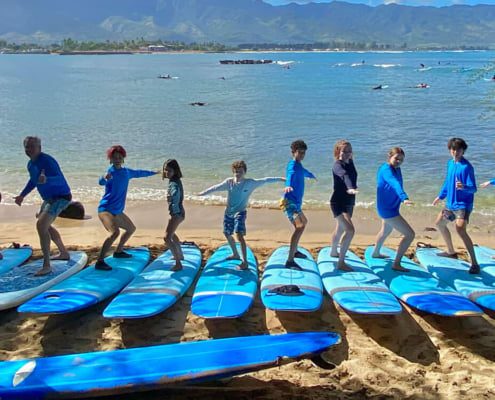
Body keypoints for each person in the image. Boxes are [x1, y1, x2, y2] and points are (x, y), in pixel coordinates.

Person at [199, 161, 284, 270]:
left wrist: (280, 179)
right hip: (228, 212)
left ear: (245, 172)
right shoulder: (229, 182)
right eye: (235, 172)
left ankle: (245, 262)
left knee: (239, 235)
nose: (237, 174)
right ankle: (235, 254)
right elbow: (215, 188)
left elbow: (266, 180)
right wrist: (202, 194)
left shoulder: (250, 183)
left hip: (240, 212)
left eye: (240, 172)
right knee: (227, 233)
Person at [15, 136, 72, 275]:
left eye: (32, 146)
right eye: (27, 147)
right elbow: (33, 181)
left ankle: (47, 265)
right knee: (45, 225)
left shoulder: (47, 161)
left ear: (39, 148)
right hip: (49, 199)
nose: (29, 149)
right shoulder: (30, 164)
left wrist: (47, 179)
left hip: (61, 197)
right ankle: (64, 253)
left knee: (41, 225)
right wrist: (22, 195)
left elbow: (59, 178)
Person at [96, 145, 158, 270]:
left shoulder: (127, 172)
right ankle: (100, 261)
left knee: (131, 229)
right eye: (115, 157)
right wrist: (104, 178)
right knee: (115, 233)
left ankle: (118, 251)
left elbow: (140, 173)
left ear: (123, 158)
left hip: (117, 211)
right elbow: (101, 181)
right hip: (105, 209)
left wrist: (155, 172)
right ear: (111, 159)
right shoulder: (110, 172)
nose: (117, 159)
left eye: (120, 157)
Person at [432, 138, 480, 274]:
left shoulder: (467, 167)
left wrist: (464, 187)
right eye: (453, 149)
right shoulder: (450, 164)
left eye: (458, 149)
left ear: (463, 150)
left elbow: (473, 188)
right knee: (440, 224)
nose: (455, 152)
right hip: (451, 204)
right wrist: (440, 196)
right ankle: (451, 251)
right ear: (449, 150)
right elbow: (448, 182)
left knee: (460, 230)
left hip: (463, 206)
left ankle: (475, 263)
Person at [371, 147, 415, 272]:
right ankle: (396, 263)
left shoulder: (397, 169)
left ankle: (376, 253)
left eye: (401, 160)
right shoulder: (386, 170)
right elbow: (394, 183)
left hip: (391, 207)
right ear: (389, 156)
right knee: (410, 234)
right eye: (396, 158)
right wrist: (404, 198)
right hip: (387, 209)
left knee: (385, 231)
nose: (398, 161)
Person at [280, 140, 317, 269]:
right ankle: (290, 260)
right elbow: (290, 174)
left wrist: (310, 175)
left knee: (304, 222)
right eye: (299, 152)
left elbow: (303, 171)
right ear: (293, 152)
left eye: (303, 153)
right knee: (300, 226)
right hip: (288, 203)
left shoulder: (299, 165)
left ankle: (294, 251)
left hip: (296, 203)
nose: (302, 155)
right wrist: (288, 185)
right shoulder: (292, 165)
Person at [329, 140, 358, 271]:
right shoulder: (337, 165)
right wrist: (350, 187)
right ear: (338, 152)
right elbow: (344, 175)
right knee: (350, 230)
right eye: (344, 151)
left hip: (349, 201)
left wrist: (353, 188)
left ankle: (333, 251)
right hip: (339, 202)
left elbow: (351, 175)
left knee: (340, 228)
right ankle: (341, 262)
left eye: (349, 151)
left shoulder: (350, 162)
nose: (347, 153)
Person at [163, 159, 185, 271]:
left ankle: (178, 263)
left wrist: (172, 197)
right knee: (172, 234)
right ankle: (180, 255)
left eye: (169, 170)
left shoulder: (174, 183)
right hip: (178, 213)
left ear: (175, 171)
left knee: (166, 238)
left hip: (177, 214)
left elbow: (176, 192)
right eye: (165, 170)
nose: (167, 172)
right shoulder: (174, 180)